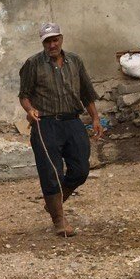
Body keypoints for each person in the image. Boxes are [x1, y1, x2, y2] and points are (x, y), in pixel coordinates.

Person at [18, 22, 103, 237]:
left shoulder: (75, 61)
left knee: (81, 169)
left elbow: (86, 93)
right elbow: (24, 95)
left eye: (55, 40)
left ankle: (55, 202)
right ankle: (59, 219)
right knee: (51, 173)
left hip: (72, 122)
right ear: (43, 43)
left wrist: (95, 118)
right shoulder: (33, 64)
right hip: (46, 124)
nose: (52, 45)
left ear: (61, 39)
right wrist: (29, 110)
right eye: (47, 41)